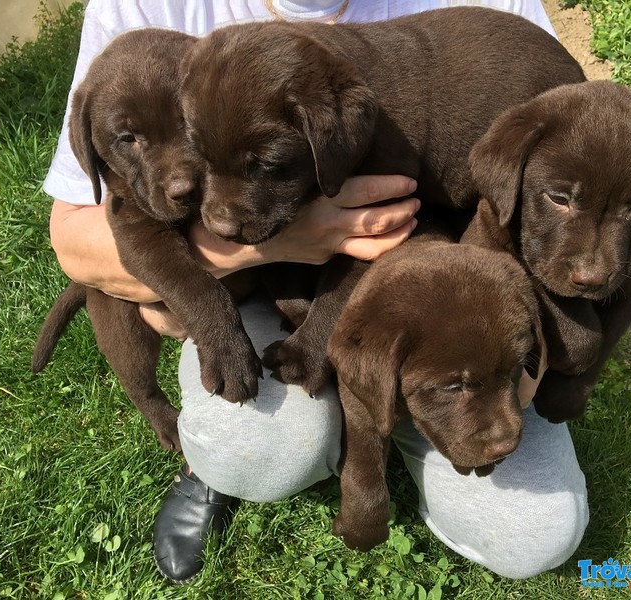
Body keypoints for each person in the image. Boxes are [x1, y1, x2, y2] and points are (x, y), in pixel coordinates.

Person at [45, 0, 589, 585]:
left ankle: (407, 402)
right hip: (262, 289)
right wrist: (259, 253)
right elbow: (77, 240)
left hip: (440, 286)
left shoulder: (477, 43)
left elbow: (565, 183)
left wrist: (522, 331)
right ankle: (284, 431)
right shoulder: (152, 20)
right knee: (253, 450)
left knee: (535, 531)